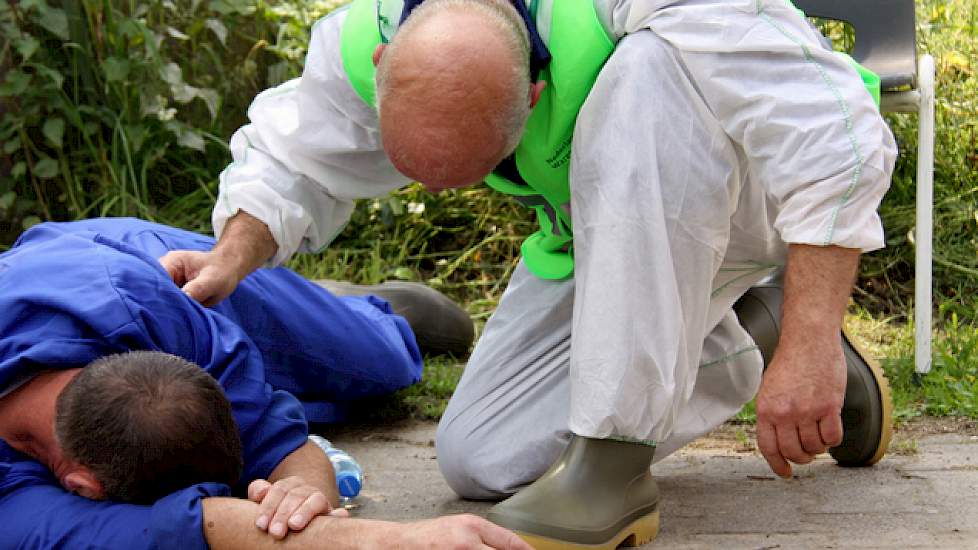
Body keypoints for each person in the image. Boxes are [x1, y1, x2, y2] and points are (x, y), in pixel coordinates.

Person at [160, 0, 897, 547]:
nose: (446, 194)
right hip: (610, 230)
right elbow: (297, 154)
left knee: (646, 71)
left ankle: (614, 465)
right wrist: (234, 253)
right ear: (388, 65)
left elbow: (837, 137)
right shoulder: (365, 37)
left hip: (756, 196)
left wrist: (814, 338)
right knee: (484, 457)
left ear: (533, 94)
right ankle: (746, 332)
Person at [0, 218, 529, 550]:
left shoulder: (156, 312)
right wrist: (367, 540)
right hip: (58, 280)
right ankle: (303, 305)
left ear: (150, 361)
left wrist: (306, 496)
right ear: (80, 485)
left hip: (145, 260)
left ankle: (339, 307)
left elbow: (280, 442)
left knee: (384, 360)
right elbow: (159, 532)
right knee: (323, 395)